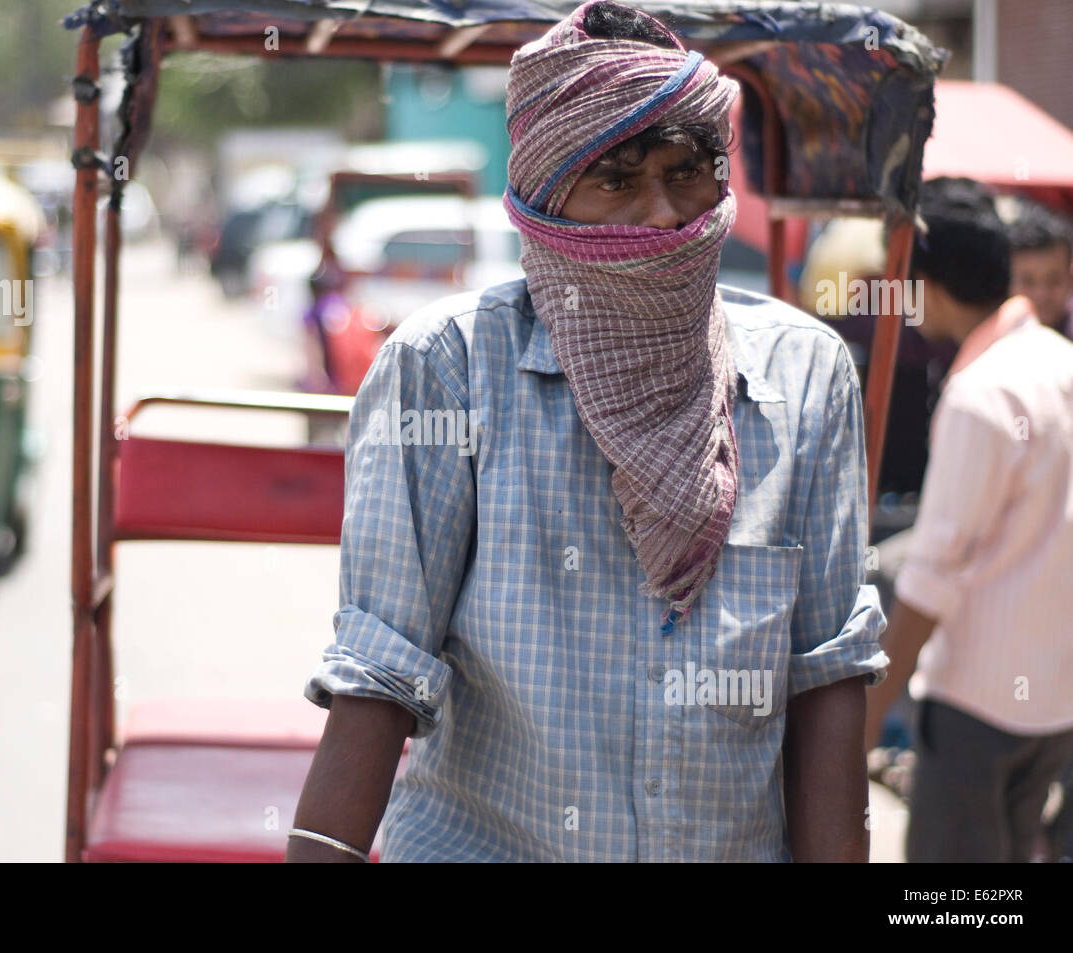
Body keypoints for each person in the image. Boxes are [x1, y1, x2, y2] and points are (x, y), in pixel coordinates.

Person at [288, 0, 888, 863]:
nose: (660, 215)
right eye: (616, 179)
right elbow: (380, 672)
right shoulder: (449, 367)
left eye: (688, 173)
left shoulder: (806, 374)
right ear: (543, 196)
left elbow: (825, 679)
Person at [864, 177, 1073, 862]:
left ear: (926, 280)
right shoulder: (1057, 360)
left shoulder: (982, 393)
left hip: (976, 709)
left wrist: (871, 713)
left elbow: (931, 577)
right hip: (1052, 706)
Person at [1004, 196, 1073, 342]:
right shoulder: (987, 339)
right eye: (1027, 281)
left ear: (1070, 278)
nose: (1041, 294)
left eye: (1054, 280)